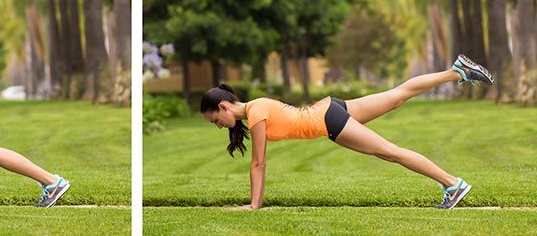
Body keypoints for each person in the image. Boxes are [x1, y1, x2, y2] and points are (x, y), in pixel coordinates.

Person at [200, 55, 494, 210]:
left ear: (224, 106)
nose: (219, 126)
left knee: (390, 152)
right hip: (330, 108)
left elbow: (259, 164)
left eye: (215, 120)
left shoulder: (255, 113)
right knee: (398, 94)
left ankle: (452, 184)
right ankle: (458, 71)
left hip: (327, 120)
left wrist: (254, 206)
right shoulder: (256, 109)